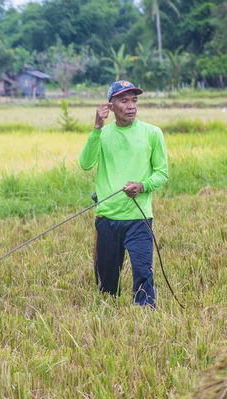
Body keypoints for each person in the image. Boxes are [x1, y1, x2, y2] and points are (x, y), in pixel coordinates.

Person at [79, 80, 168, 307]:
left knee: (142, 272)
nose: (131, 106)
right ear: (110, 106)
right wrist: (96, 127)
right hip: (108, 217)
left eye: (134, 100)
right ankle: (109, 318)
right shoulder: (103, 134)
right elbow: (86, 164)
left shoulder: (152, 133)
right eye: (124, 100)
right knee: (108, 282)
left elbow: (162, 173)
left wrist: (143, 185)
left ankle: (146, 315)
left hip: (139, 218)